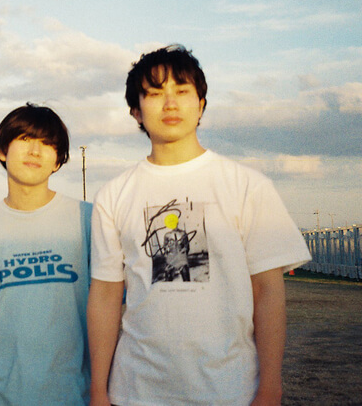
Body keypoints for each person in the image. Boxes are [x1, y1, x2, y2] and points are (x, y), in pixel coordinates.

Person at [88, 45, 312, 406]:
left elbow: (268, 292)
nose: (170, 104)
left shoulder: (248, 186)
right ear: (136, 111)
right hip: (136, 390)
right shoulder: (113, 195)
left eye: (182, 91)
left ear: (201, 104)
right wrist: (99, 390)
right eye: (155, 94)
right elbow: (105, 294)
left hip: (231, 389)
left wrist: (270, 386)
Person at [0, 103, 92, 405]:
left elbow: (112, 311)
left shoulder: (88, 221)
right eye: (25, 139)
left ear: (58, 161)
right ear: (2, 150)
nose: (35, 151)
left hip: (73, 396)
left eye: (47, 143)